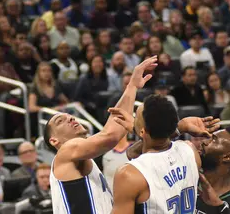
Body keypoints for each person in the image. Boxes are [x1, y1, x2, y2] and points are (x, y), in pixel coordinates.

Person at [44, 57, 157, 214]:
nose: (70, 117)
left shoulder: (81, 156)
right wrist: (131, 86)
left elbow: (115, 124)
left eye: (68, 115)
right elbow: (110, 135)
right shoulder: (66, 152)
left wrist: (132, 86)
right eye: (60, 121)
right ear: (54, 140)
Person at [110, 94, 217, 213]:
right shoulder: (190, 150)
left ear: (142, 131)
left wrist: (180, 127)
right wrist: (178, 128)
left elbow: (135, 154)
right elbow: (133, 153)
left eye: (136, 118)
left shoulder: (128, 174)